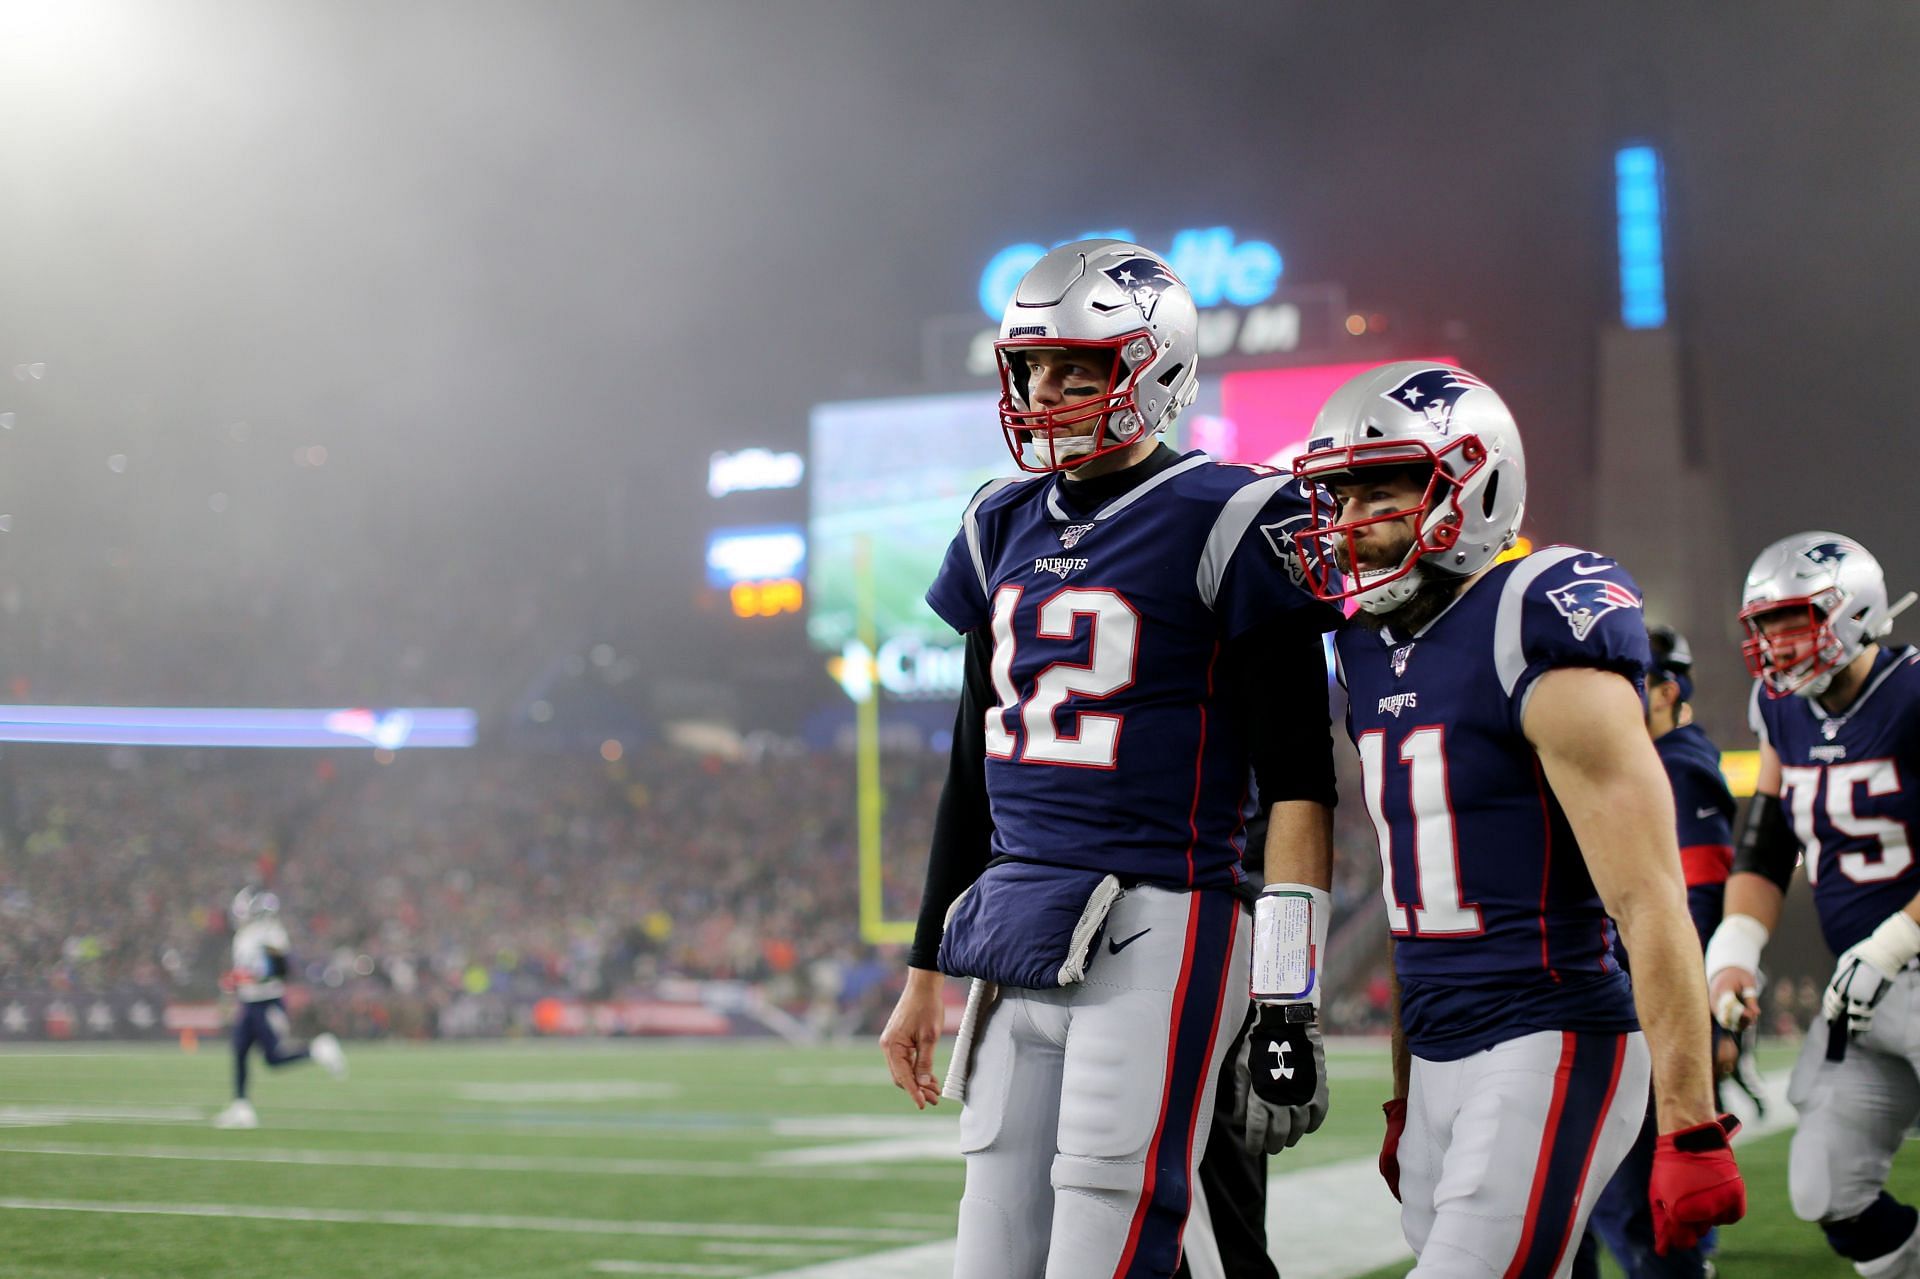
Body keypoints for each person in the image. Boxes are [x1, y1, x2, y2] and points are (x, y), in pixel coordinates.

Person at [876, 239, 1340, 1277]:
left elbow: (1302, 788)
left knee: (1111, 1224)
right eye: (1033, 369)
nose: (1046, 392)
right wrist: (922, 972)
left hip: (1163, 916)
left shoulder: (1234, 513)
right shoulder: (998, 524)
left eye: (1077, 370)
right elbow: (970, 761)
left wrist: (1287, 999)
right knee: (990, 1248)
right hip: (1015, 925)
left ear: (1156, 371)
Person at [1277, 361, 1744, 1276]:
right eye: (1339, 494)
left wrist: (1689, 1121)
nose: (1350, 519)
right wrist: (1411, 1094)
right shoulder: (1366, 649)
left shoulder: (1536, 614)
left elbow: (1650, 894)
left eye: (1381, 488)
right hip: (1443, 1044)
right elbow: (1420, 912)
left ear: (1471, 483)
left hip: (1550, 1030)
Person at [1705, 531, 1920, 1278]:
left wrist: (1893, 942)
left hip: (1900, 961)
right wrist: (1734, 952)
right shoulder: (1779, 707)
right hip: (1859, 985)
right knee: (1827, 1187)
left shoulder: (1913, 691)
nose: (1773, 643)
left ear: (1853, 609)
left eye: (1790, 620)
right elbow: (1766, 844)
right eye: (1763, 626)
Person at [1575, 625, 1739, 1279]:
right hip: (1635, 1002)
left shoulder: (1675, 765)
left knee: (1637, 1213)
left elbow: (1694, 908)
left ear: (1666, 691)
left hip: (1653, 1012)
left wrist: (1705, 1019)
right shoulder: (1659, 758)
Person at [213, 886, 346, 1130]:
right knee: (239, 1051)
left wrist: (245, 978)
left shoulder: (272, 934)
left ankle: (317, 1049)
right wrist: (236, 982)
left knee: (274, 1058)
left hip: (267, 1003)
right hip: (248, 1002)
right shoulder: (243, 936)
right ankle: (242, 1107)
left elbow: (279, 972)